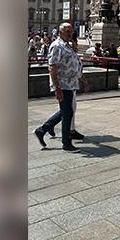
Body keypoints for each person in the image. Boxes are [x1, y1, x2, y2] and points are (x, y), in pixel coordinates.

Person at [35, 23, 86, 151]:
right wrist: (57, 88)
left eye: (71, 31)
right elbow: (52, 67)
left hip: (70, 83)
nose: (70, 33)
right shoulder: (57, 46)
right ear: (60, 32)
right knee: (67, 113)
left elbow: (73, 63)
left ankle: (43, 130)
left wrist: (81, 78)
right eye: (67, 31)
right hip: (63, 84)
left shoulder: (66, 45)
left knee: (66, 111)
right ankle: (66, 143)